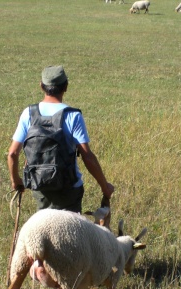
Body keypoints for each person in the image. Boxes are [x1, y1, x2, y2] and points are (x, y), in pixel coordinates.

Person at [7, 65, 114, 213]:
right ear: (66, 87)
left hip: (40, 186)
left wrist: (16, 181)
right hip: (69, 189)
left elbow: (12, 153)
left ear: (41, 86)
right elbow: (87, 156)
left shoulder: (28, 113)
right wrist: (105, 186)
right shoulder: (73, 115)